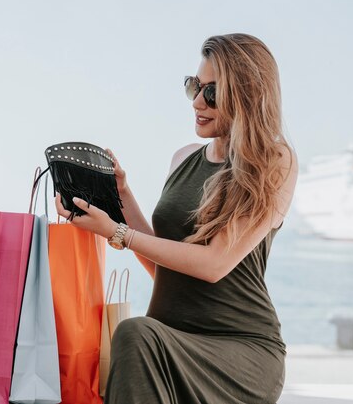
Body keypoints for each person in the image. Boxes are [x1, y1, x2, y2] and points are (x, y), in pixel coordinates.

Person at [55, 33, 298, 404]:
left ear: (247, 95)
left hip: (240, 350)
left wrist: (117, 231)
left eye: (212, 93)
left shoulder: (274, 163)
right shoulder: (184, 158)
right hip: (169, 338)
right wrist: (122, 196)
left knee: (135, 334)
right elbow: (165, 269)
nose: (198, 102)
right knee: (138, 337)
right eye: (194, 87)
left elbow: (214, 264)